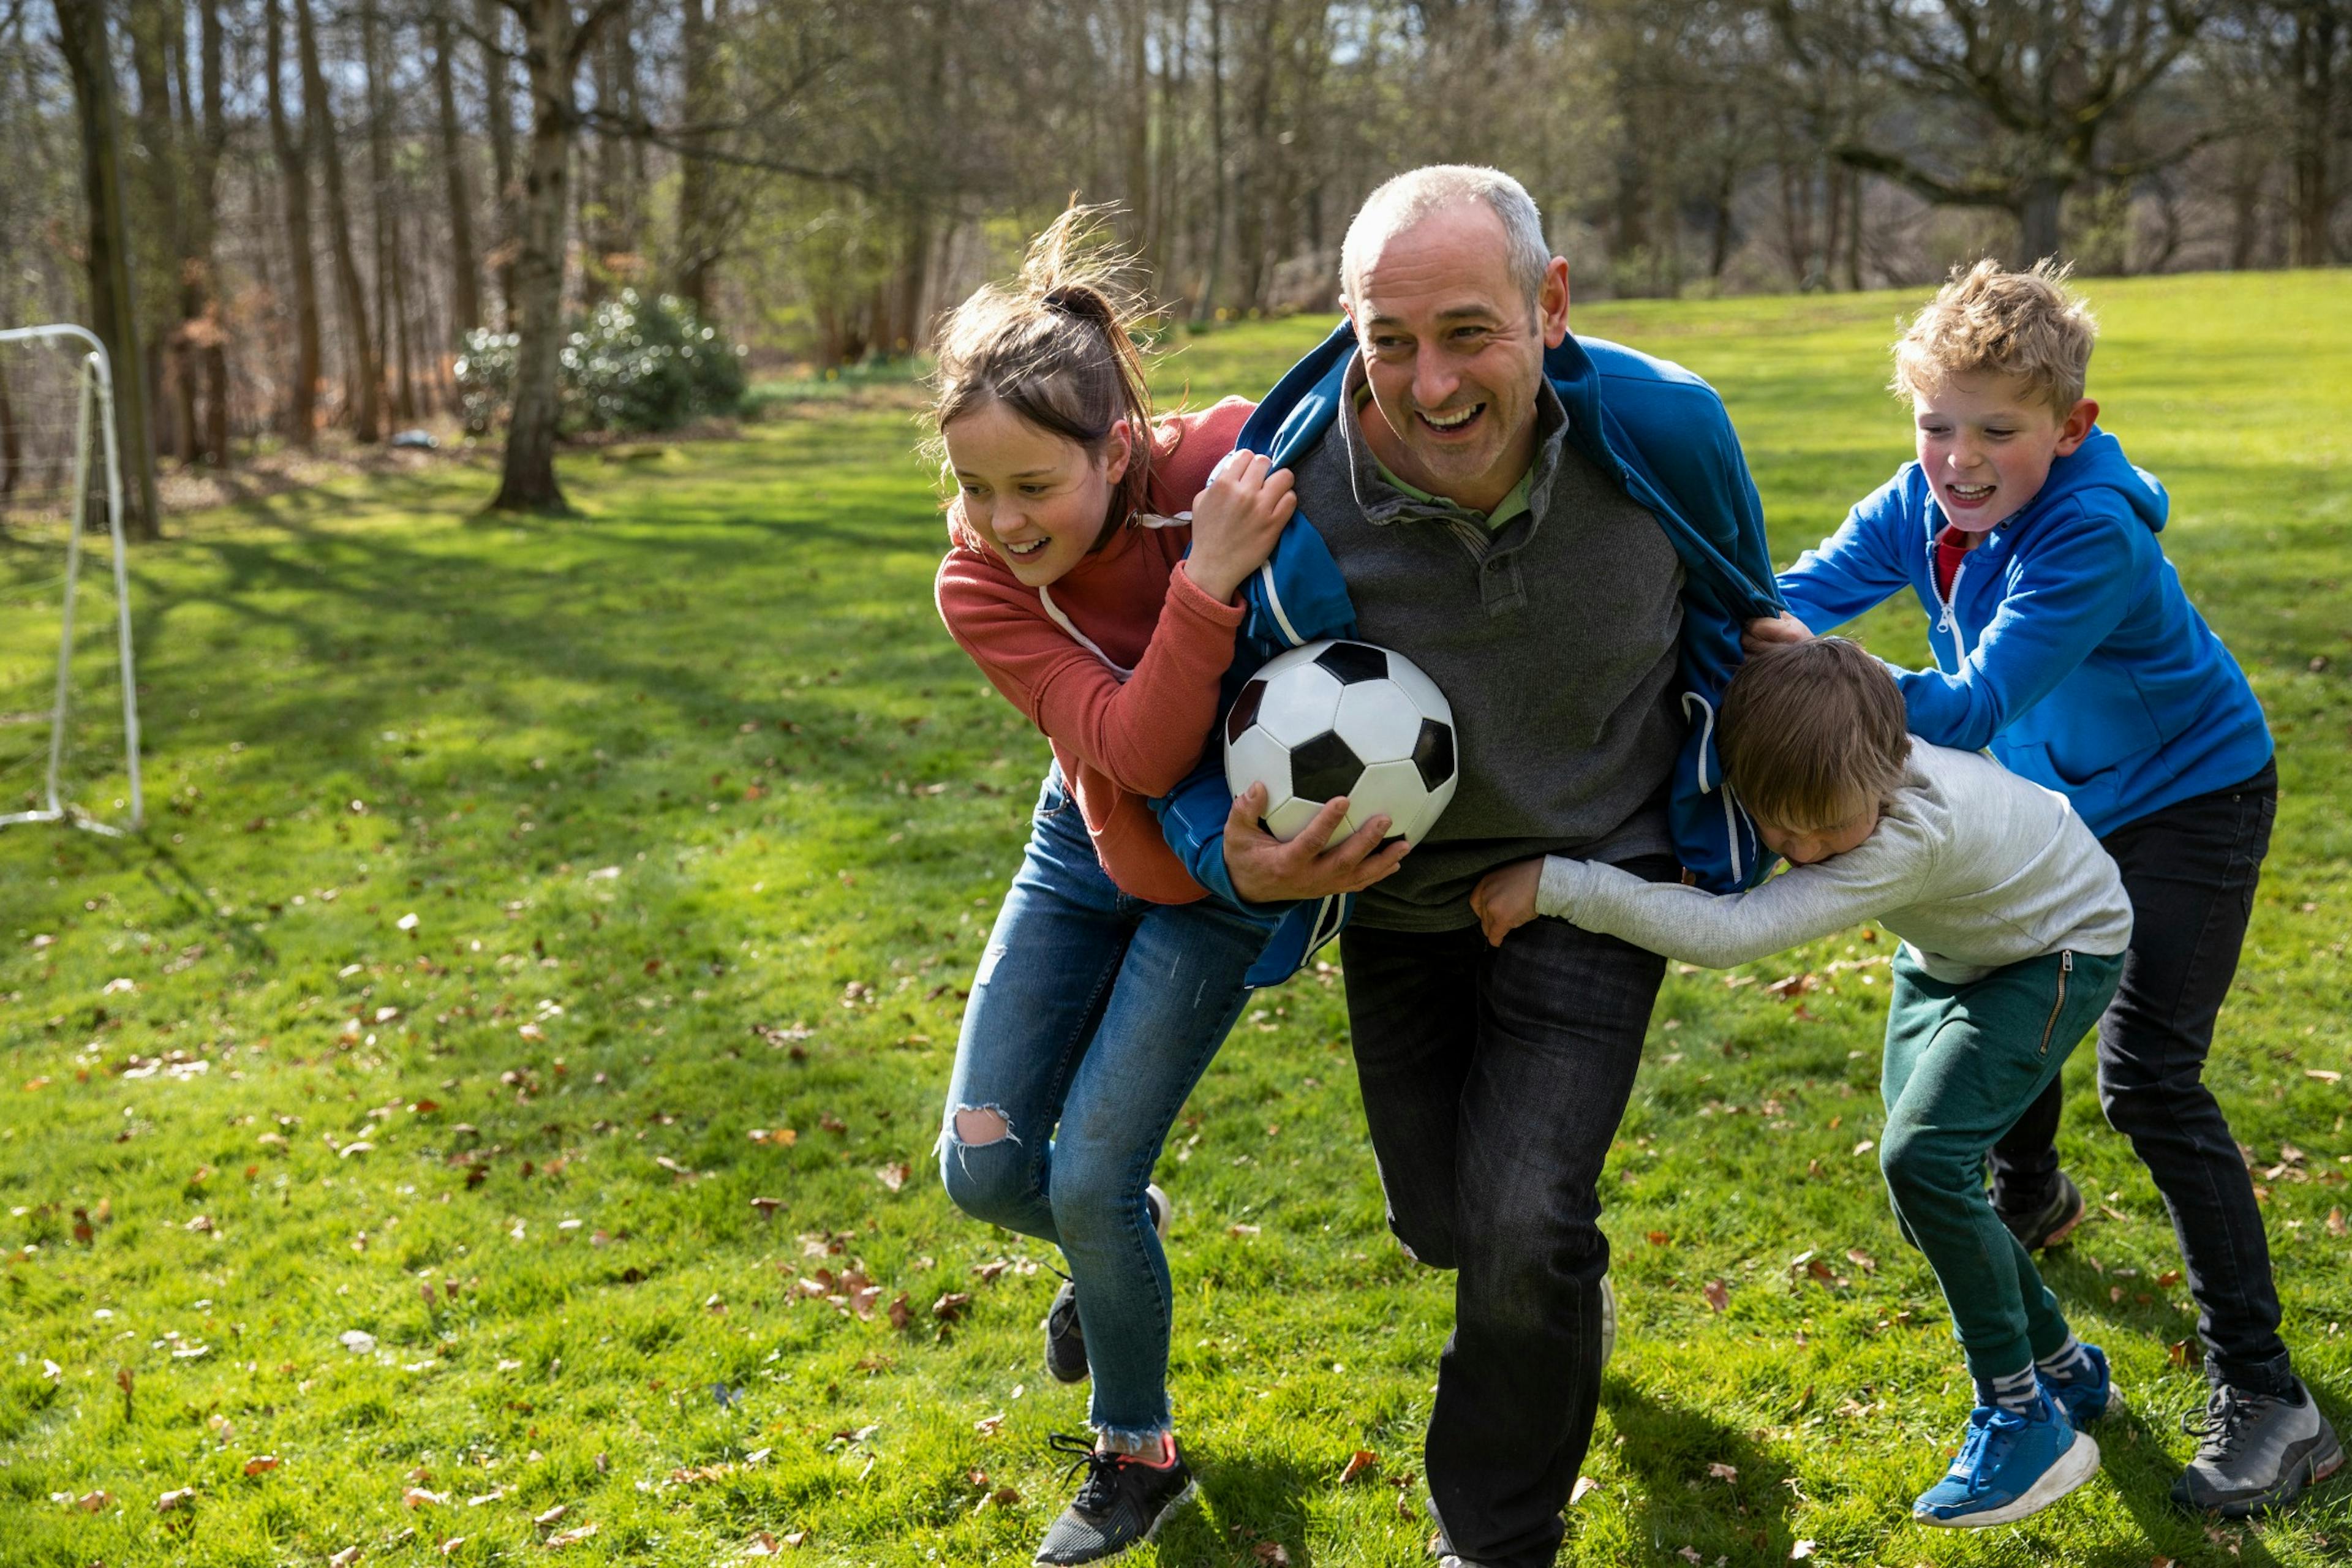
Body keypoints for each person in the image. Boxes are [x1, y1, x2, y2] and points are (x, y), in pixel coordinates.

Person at [1155, 166, 1785, 1568]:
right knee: (1451, 1222)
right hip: (1404, 897)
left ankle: (1491, 1531)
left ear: (1551, 303)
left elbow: (1752, 620)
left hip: (1596, 874)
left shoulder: (1667, 433)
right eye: (1388, 338)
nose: (1425, 382)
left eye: (1466, 331)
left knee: (1521, 1215)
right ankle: (1557, 1293)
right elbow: (1186, 713)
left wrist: (1817, 753)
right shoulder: (1285, 487)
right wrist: (1236, 848)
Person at [1744, 259, 2342, 1515]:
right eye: (1934, 423)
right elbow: (1787, 602)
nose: (1958, 459)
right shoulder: (1919, 501)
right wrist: (1740, 645)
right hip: (2058, 800)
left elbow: (1969, 704)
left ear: (2068, 428)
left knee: (2150, 1078)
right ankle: (2031, 1191)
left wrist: (1826, 675)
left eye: (1996, 431)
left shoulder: (2091, 531)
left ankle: (2272, 1394)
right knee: (2003, 964)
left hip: (2192, 797)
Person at [1472, 636, 2136, 1529]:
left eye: (1829, 826)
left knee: (1924, 1163)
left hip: (2060, 945)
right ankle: (2066, 1369)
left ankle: (2021, 1418)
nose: (1806, 848)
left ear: (1889, 769)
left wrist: (1561, 884)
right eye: (1783, 827)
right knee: (1925, 1193)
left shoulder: (1908, 836)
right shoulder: (1850, 745)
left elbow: (1729, 935)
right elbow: (1822, 684)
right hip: (1952, 951)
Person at [927, 211, 1362, 1565]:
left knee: (1093, 1174)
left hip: (1219, 888)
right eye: (974, 487)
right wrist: (1211, 584)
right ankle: (1115, 1240)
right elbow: (1126, 745)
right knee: (990, 1167)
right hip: (1089, 837)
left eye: (1030, 487)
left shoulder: (1226, 458)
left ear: (1117, 445)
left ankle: (1139, 1456)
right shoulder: (977, 585)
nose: (1001, 525)